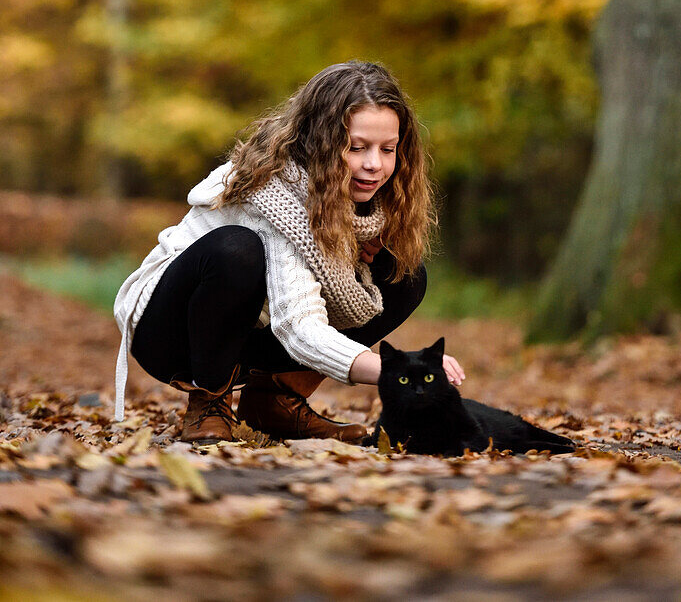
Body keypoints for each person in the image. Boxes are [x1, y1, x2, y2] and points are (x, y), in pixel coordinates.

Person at [113, 60, 465, 444]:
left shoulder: (363, 205)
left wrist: (351, 255)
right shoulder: (275, 195)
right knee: (238, 250)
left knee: (403, 275)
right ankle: (209, 398)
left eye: (388, 149)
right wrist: (400, 371)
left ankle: (274, 399)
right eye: (356, 147)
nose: (374, 165)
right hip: (168, 331)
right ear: (320, 142)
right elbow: (299, 327)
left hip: (252, 330)